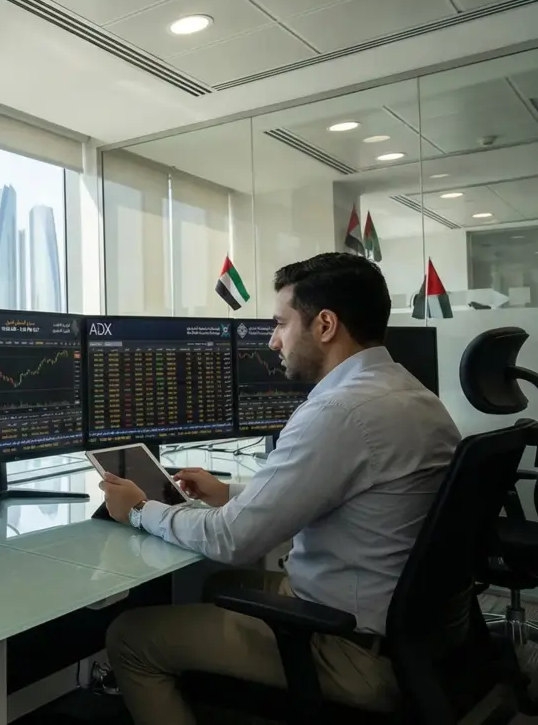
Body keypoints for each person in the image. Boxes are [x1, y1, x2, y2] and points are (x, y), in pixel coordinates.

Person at [100, 252, 461, 725]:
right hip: (416, 632)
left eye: (280, 324)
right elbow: (347, 484)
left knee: (130, 636)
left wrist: (139, 508)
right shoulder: (409, 392)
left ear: (325, 325)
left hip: (353, 650)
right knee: (220, 585)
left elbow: (231, 539)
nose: (273, 340)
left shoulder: (339, 412)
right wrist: (230, 492)